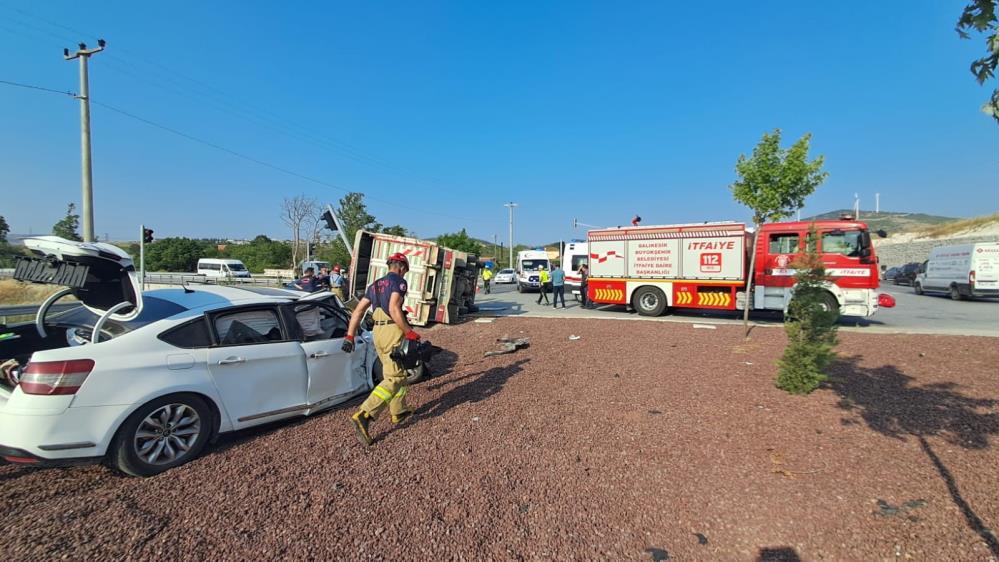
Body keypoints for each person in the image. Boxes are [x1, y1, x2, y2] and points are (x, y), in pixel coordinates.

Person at [342, 253, 420, 446]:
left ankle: (398, 411)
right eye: (405, 270)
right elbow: (394, 309)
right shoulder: (399, 283)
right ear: (401, 267)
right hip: (392, 330)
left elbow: (358, 311)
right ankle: (365, 414)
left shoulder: (374, 285)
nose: (405, 273)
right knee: (396, 378)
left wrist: (350, 336)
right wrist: (409, 332)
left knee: (393, 371)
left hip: (378, 332)